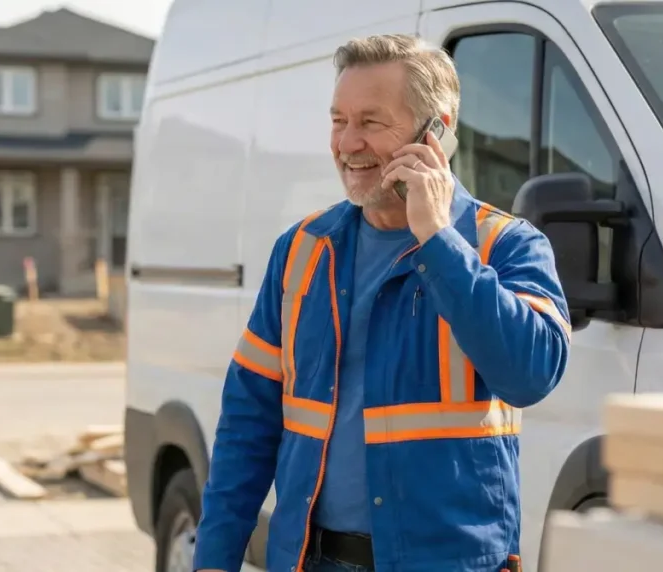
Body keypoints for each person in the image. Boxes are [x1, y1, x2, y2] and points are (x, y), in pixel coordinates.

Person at [193, 34, 571, 572]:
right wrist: (213, 561)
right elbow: (247, 424)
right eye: (338, 120)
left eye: (370, 122)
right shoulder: (302, 250)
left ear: (435, 130)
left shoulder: (507, 246)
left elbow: (529, 375)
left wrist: (439, 241)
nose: (347, 143)